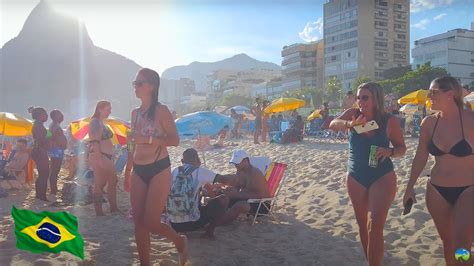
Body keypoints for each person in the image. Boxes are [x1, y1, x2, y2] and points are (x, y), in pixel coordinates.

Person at [329, 82, 406, 266]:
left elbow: (401, 148)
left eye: (364, 97)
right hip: (356, 175)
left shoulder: (390, 121)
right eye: (358, 97)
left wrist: (390, 152)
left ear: (376, 99)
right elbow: (332, 124)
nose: (360, 101)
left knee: (375, 228)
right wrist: (350, 124)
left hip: (382, 175)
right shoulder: (353, 114)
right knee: (362, 226)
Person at [402, 76, 473, 265]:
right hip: (436, 190)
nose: (428, 96)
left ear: (449, 94)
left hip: (469, 189)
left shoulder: (471, 120)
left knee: (462, 244)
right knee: (448, 242)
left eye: (433, 92)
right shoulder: (429, 123)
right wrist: (409, 187)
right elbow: (420, 157)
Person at [125, 68, 187, 266]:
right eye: (134, 82)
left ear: (151, 86)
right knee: (138, 221)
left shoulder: (161, 110)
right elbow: (132, 144)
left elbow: (175, 140)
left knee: (151, 221)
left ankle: (180, 241)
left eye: (139, 82)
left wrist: (149, 139)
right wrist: (128, 170)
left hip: (158, 167)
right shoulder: (134, 114)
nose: (135, 86)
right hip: (138, 169)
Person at [167, 148, 228, 238]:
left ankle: (183, 228)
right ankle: (209, 233)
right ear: (197, 159)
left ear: (182, 161)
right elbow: (223, 180)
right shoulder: (199, 171)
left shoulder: (174, 171)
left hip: (174, 225)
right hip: (192, 223)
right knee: (224, 199)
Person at [214, 150, 270, 224]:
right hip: (247, 199)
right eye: (234, 163)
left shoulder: (254, 174)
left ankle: (221, 221)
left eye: (237, 163)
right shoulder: (240, 171)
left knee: (240, 205)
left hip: (260, 204)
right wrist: (228, 190)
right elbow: (237, 186)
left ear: (245, 161)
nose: (235, 165)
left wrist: (235, 195)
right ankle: (217, 218)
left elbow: (259, 195)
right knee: (221, 197)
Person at [87, 101, 119, 216]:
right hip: (100, 155)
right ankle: (99, 211)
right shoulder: (95, 122)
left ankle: (113, 207)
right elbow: (94, 141)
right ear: (100, 109)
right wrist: (99, 159)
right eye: (108, 109)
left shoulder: (101, 122)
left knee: (112, 181)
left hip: (106, 155)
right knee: (100, 183)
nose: (110, 111)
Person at [29, 107, 51, 201]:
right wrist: (49, 139)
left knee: (42, 173)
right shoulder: (38, 125)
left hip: (39, 150)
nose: (46, 116)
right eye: (45, 114)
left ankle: (39, 194)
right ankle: (41, 195)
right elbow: (41, 139)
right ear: (39, 116)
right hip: (40, 151)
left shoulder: (38, 124)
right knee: (44, 173)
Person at [48, 109, 67, 195]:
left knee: (55, 169)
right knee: (55, 169)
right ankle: (53, 189)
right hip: (56, 149)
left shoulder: (53, 125)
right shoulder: (54, 125)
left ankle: (54, 188)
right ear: (55, 117)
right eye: (60, 115)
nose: (62, 116)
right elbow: (49, 137)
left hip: (56, 149)